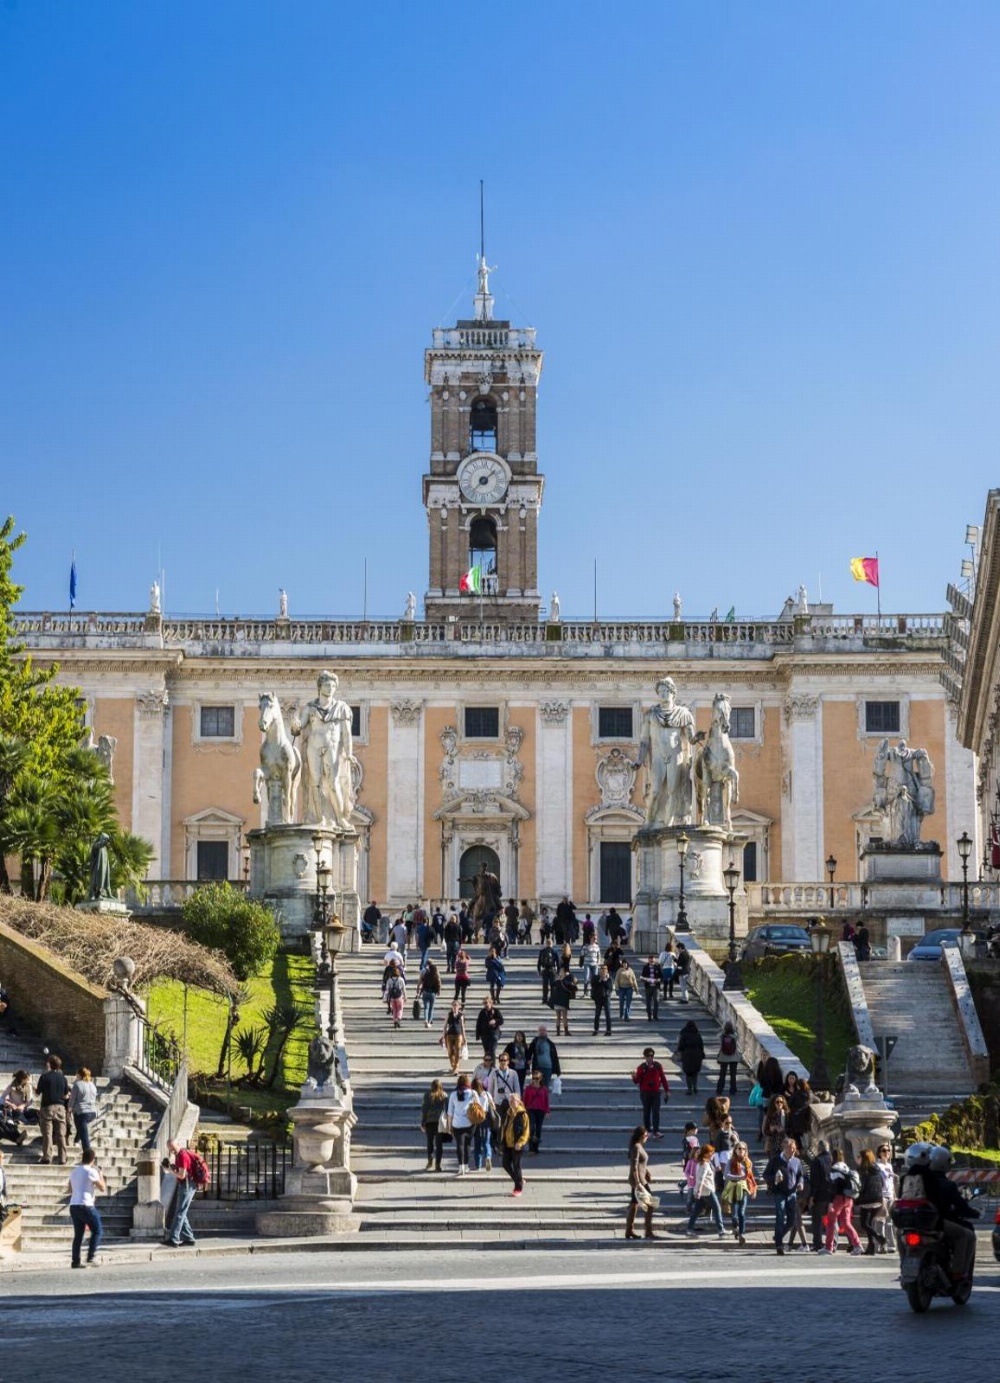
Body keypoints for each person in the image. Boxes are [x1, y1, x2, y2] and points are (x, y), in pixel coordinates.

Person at [289, 670, 355, 828]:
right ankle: (319, 818)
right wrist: (295, 725)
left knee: (333, 783)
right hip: (313, 747)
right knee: (315, 783)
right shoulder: (310, 708)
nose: (330, 688)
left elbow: (346, 733)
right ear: (320, 687)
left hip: (332, 747)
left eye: (333, 686)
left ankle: (340, 818)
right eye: (327, 685)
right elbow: (300, 726)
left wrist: (349, 753)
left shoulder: (341, 708)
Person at [635, 676, 701, 826]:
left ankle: (668, 824)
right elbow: (644, 741)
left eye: (666, 690)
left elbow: (690, 738)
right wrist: (639, 760)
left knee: (673, 791)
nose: (663, 694)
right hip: (658, 758)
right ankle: (649, 821)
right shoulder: (650, 715)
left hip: (675, 757)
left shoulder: (683, 714)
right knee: (655, 791)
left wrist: (697, 738)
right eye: (660, 691)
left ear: (673, 693)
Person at [820, 1147, 864, 1255]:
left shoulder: (834, 1169)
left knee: (831, 1222)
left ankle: (828, 1247)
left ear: (833, 1157)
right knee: (846, 1223)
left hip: (838, 1198)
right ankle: (858, 1245)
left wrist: (830, 1202)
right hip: (848, 1198)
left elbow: (833, 1187)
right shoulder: (846, 1168)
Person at [68, 1147, 106, 1268]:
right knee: (97, 1230)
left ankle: (75, 1261)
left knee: (78, 1235)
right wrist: (100, 1175)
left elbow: (69, 1189)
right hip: (86, 1205)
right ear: (93, 1160)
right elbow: (102, 1188)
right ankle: (91, 1257)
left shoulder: (74, 1171)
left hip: (74, 1205)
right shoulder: (91, 1171)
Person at [765, 1135, 803, 1256]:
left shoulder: (797, 1161)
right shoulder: (775, 1160)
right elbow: (766, 1175)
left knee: (791, 1221)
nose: (793, 1151)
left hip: (792, 1193)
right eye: (790, 1148)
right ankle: (779, 1245)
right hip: (779, 1192)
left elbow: (800, 1175)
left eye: (794, 1148)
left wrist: (801, 1183)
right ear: (784, 1148)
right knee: (780, 1216)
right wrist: (774, 1179)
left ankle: (778, 1236)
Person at [686, 1143, 726, 1238]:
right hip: (707, 1191)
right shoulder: (704, 1164)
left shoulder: (702, 1163)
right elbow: (701, 1178)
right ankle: (721, 1230)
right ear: (706, 1153)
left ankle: (689, 1230)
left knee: (696, 1211)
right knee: (717, 1208)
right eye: (711, 1152)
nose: (713, 1154)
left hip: (702, 1191)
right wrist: (698, 1190)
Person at [36, 1054, 69, 1165]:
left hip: (47, 1107)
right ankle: (62, 1158)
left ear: (49, 1064)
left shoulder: (44, 1077)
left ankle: (47, 1157)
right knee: (61, 1134)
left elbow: (38, 1092)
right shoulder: (63, 1078)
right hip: (60, 1108)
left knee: (47, 1133)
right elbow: (66, 1094)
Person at [166, 1137, 198, 1247]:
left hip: (188, 1185)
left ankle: (174, 1239)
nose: (172, 1151)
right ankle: (189, 1238)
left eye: (173, 1148)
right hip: (185, 1184)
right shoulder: (179, 1155)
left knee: (180, 1212)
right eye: (170, 1149)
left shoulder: (182, 1155)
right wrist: (172, 1168)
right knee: (181, 1212)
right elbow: (181, 1171)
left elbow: (182, 1175)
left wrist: (170, 1171)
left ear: (178, 1144)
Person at [631, 1047, 670, 1139]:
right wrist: (634, 1077)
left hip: (656, 1093)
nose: (650, 1058)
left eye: (651, 1056)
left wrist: (667, 1090)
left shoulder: (658, 1066)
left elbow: (663, 1078)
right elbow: (637, 1081)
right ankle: (647, 1130)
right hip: (645, 1093)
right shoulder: (641, 1067)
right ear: (644, 1057)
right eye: (648, 1056)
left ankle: (656, 1131)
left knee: (656, 1112)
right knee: (647, 1112)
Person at [723, 1140, 756, 1246]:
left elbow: (750, 1177)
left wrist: (753, 1189)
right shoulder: (731, 1161)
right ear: (735, 1150)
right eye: (739, 1148)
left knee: (741, 1213)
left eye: (743, 1149)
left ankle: (741, 1234)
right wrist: (739, 1177)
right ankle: (735, 1227)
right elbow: (726, 1175)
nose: (741, 1150)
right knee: (734, 1215)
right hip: (733, 1188)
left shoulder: (748, 1162)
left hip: (744, 1188)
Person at [626, 1125, 656, 1240]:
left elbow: (641, 1163)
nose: (647, 1137)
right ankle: (648, 1231)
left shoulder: (639, 1146)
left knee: (634, 1204)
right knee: (650, 1204)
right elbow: (634, 1166)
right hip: (638, 1181)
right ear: (641, 1136)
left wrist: (647, 1171)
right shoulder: (636, 1147)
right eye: (646, 1135)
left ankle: (629, 1231)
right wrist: (638, 1183)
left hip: (641, 1179)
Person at [856, 1148, 888, 1254]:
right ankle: (871, 1248)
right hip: (877, 1199)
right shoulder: (877, 1169)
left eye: (859, 1157)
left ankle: (878, 1237)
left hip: (867, 1200)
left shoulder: (864, 1171)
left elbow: (861, 1187)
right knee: (869, 1224)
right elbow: (883, 1184)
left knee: (864, 1224)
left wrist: (856, 1198)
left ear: (864, 1158)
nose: (857, 1159)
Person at [447, 1075, 476, 1176]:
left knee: (459, 1145)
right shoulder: (473, 1093)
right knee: (468, 1144)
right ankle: (467, 1165)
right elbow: (478, 1106)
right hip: (470, 1123)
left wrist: (449, 1126)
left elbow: (450, 1112)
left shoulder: (453, 1094)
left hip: (457, 1123)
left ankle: (461, 1166)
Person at [501, 1094, 530, 1197]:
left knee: (516, 1166)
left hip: (517, 1144)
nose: (511, 1103)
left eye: (513, 1101)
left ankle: (518, 1188)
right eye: (510, 1101)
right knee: (505, 1164)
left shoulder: (523, 1114)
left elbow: (526, 1131)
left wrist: (520, 1142)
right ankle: (519, 1180)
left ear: (518, 1101)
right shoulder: (509, 1113)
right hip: (507, 1144)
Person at [808, 1140, 834, 1251]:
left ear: (818, 1148)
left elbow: (815, 1181)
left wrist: (811, 1196)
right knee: (832, 1220)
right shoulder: (833, 1159)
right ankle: (833, 1243)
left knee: (817, 1220)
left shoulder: (817, 1160)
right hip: (832, 1194)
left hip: (820, 1194)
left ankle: (817, 1243)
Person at [69, 1067, 99, 1156]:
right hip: (92, 1112)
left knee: (84, 1136)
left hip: (81, 1112)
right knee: (81, 1127)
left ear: (79, 1075)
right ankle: (76, 1140)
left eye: (76, 1074)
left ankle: (88, 1155)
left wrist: (69, 1110)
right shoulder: (92, 1085)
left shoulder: (77, 1084)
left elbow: (72, 1099)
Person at [420, 1078, 449, 1171]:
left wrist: (422, 1122)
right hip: (439, 1122)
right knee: (439, 1144)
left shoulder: (427, 1095)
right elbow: (447, 1110)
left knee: (430, 1142)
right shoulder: (444, 1095)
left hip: (429, 1122)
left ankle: (430, 1158)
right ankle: (438, 1164)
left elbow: (424, 1110)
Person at [470, 1077, 495, 1172]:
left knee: (477, 1143)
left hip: (476, 1120)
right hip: (485, 1119)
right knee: (486, 1141)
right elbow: (493, 1106)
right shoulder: (487, 1094)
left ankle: (478, 1165)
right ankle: (488, 1156)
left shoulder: (472, 1094)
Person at [523, 1069, 550, 1154]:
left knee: (538, 1129)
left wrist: (547, 1111)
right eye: (533, 1078)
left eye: (537, 1078)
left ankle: (536, 1148)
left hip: (540, 1110)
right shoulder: (528, 1088)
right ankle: (531, 1148)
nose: (535, 1080)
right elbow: (524, 1100)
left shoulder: (544, 1089)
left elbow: (546, 1101)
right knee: (531, 1128)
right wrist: (523, 1110)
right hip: (530, 1110)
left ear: (540, 1079)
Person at [877, 1142, 897, 1251]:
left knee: (890, 1222)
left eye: (888, 1150)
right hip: (882, 1195)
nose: (887, 1152)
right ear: (879, 1153)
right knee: (881, 1221)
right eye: (884, 1150)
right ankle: (882, 1245)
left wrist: (894, 1195)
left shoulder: (889, 1166)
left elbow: (891, 1182)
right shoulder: (877, 1166)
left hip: (890, 1196)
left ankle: (891, 1245)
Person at [677, 1019, 705, 1095]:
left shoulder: (684, 1035)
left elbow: (680, 1046)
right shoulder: (697, 1035)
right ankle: (695, 1087)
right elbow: (701, 1046)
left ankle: (689, 1089)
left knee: (688, 1073)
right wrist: (702, 1054)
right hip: (697, 1055)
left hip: (687, 1055)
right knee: (695, 1072)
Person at [489, 1050, 521, 1115]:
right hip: (498, 1102)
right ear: (499, 1061)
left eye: (505, 1060)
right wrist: (491, 1101)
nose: (503, 1062)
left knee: (509, 1121)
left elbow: (517, 1089)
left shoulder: (513, 1073)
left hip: (510, 1101)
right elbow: (490, 1089)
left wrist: (517, 1101)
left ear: (508, 1061)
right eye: (501, 1060)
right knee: (499, 1121)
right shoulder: (493, 1073)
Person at [440, 999, 466, 1074]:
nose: (454, 1007)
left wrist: (464, 1038)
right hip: (450, 1035)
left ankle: (456, 1068)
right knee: (450, 1052)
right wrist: (443, 1036)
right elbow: (445, 1026)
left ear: (459, 1006)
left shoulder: (461, 1015)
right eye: (453, 1005)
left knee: (457, 1050)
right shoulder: (449, 1014)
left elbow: (462, 1027)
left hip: (458, 1034)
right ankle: (453, 1065)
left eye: (456, 1005)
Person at [474, 995, 504, 1060]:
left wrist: (495, 1021)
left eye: (487, 1003)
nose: (486, 1005)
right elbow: (478, 1023)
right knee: (487, 1052)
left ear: (491, 1003)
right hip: (484, 1034)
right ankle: (487, 1064)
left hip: (494, 1034)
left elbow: (501, 1021)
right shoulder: (482, 1012)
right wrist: (478, 1035)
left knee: (492, 1050)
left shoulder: (496, 1011)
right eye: (484, 1003)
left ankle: (493, 1065)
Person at [549, 968, 577, 1037]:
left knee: (558, 1017)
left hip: (556, 1001)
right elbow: (575, 988)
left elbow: (552, 985)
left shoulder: (557, 981)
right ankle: (566, 1031)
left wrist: (557, 978)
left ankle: (558, 1032)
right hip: (563, 1001)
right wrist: (574, 982)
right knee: (564, 1017)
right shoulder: (566, 982)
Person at [714, 1021, 739, 1096]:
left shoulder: (722, 1036)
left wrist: (723, 1030)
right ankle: (733, 1090)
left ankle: (719, 1090)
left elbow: (717, 1036)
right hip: (734, 1058)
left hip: (723, 1057)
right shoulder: (734, 1036)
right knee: (733, 1075)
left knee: (722, 1074)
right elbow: (738, 1036)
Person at [590, 964, 613, 1036]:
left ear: (607, 971)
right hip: (598, 998)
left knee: (608, 1014)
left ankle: (608, 1030)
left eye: (605, 969)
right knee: (597, 1014)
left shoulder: (609, 979)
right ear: (600, 970)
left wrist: (604, 980)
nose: (603, 971)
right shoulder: (596, 977)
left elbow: (610, 988)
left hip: (606, 998)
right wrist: (600, 979)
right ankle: (596, 1030)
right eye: (602, 969)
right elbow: (593, 985)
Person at [417, 961, 441, 1028]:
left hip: (425, 992)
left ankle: (426, 1019)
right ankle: (429, 1022)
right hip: (432, 993)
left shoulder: (426, 975)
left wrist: (419, 989)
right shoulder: (435, 975)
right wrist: (438, 991)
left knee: (426, 1007)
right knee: (431, 1008)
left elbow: (422, 982)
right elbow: (438, 983)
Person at [383, 960, 406, 1028]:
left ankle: (394, 1020)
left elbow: (387, 989)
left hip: (392, 997)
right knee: (400, 1008)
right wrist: (405, 996)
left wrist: (385, 998)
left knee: (394, 1009)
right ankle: (398, 1019)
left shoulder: (389, 980)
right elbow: (403, 989)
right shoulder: (401, 979)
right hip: (399, 996)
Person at [615, 957, 639, 1021]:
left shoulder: (631, 970)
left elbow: (634, 980)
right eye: (623, 964)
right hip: (621, 988)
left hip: (629, 988)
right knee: (621, 1002)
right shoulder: (619, 970)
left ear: (627, 964)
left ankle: (627, 1016)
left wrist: (636, 989)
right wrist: (617, 988)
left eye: (625, 964)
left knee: (628, 1003)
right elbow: (616, 980)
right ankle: (621, 1014)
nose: (624, 965)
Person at [640, 955, 662, 1021]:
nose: (652, 962)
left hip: (656, 987)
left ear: (654, 960)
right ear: (648, 960)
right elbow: (642, 976)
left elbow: (661, 976)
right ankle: (649, 1016)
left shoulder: (658, 966)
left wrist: (659, 979)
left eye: (653, 961)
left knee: (656, 1001)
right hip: (648, 987)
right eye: (650, 961)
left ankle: (655, 1016)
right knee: (648, 1002)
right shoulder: (645, 967)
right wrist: (646, 979)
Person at [537, 941, 559, 1007]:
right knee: (553, 986)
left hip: (545, 970)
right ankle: (552, 1000)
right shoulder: (555, 951)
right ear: (552, 944)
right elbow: (558, 963)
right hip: (552, 970)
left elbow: (539, 962)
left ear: (546, 944)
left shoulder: (542, 951)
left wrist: (539, 970)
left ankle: (544, 999)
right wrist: (558, 972)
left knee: (545, 986)